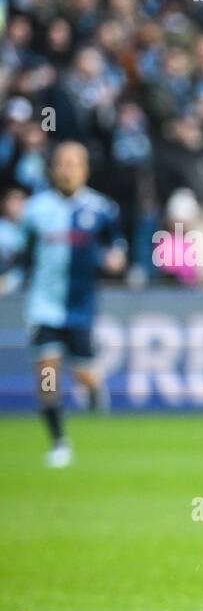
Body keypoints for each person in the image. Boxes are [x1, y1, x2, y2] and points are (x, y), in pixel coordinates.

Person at [12, 141, 125, 468]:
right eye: (62, 163)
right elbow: (23, 254)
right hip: (43, 307)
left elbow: (116, 244)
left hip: (80, 309)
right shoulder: (36, 210)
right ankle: (59, 442)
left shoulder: (101, 209)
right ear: (53, 168)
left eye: (74, 163)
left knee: (85, 375)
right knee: (48, 374)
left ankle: (94, 393)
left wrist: (115, 258)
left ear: (85, 169)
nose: (68, 169)